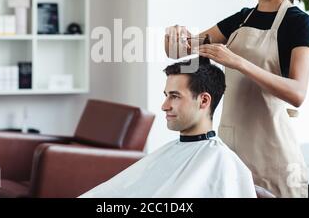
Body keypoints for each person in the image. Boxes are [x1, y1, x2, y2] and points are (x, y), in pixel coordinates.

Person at [165, 0, 309, 198]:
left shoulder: (298, 23)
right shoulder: (240, 19)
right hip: (232, 152)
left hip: (274, 157)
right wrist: (174, 35)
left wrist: (239, 62)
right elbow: (181, 50)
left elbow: (297, 93)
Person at [79, 58, 257, 198]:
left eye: (175, 96)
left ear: (203, 101)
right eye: (166, 95)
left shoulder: (222, 161)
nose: (164, 106)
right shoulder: (171, 151)